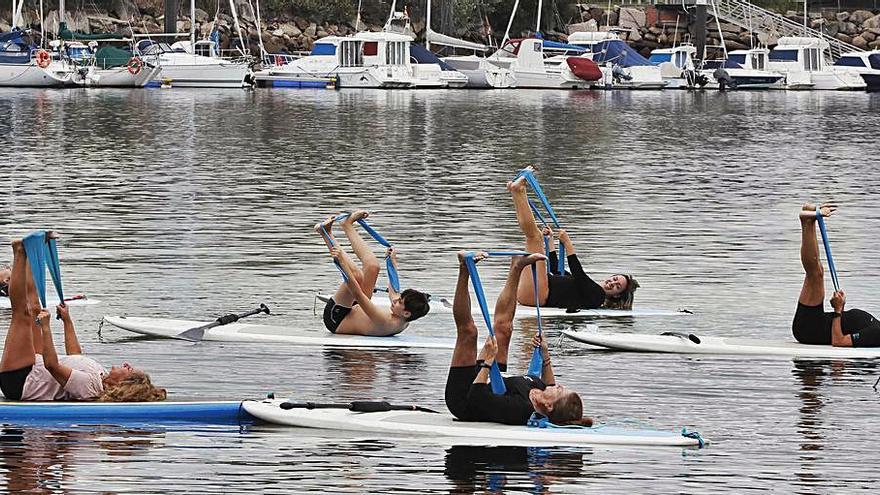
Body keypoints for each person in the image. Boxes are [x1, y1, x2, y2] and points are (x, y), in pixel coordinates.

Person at [0, 237, 165, 401]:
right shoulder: (100, 374)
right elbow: (75, 355)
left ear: (122, 384)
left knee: (22, 314)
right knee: (35, 306)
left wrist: (46, 328)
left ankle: (20, 253)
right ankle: (30, 253)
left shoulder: (90, 387)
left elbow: (53, 366)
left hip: (22, 382)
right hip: (36, 367)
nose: (128, 365)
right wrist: (67, 321)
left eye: (130, 370)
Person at [445, 251, 592, 426]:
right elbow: (549, 381)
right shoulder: (543, 390)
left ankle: (464, 270)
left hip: (467, 396)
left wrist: (487, 362)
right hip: (492, 378)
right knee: (504, 328)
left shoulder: (521, 409)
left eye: (560, 390)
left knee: (469, 332)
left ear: (548, 406)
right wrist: (544, 354)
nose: (558, 386)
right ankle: (517, 267)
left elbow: (477, 397)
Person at [507, 169, 638, 311]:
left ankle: (518, 191)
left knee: (534, 237)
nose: (612, 283)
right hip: (534, 291)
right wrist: (550, 242)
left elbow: (578, 273)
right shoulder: (584, 288)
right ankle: (517, 192)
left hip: (538, 294)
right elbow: (556, 270)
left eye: (617, 286)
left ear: (617, 296)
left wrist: (568, 243)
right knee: (535, 238)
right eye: (614, 279)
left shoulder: (597, 296)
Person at [315, 211, 430, 337]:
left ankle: (325, 233)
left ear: (406, 313)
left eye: (399, 302)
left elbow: (357, 293)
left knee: (357, 275)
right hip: (355, 308)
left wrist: (342, 262)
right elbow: (394, 292)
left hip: (337, 318)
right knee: (373, 266)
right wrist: (393, 263)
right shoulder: (404, 316)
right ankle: (347, 224)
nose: (395, 300)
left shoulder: (385, 321)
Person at [793, 203, 880, 347]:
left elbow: (838, 341)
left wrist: (838, 310)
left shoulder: (878, 336)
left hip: (809, 329)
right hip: (816, 322)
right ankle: (809, 220)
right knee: (817, 272)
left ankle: (807, 221)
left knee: (815, 274)